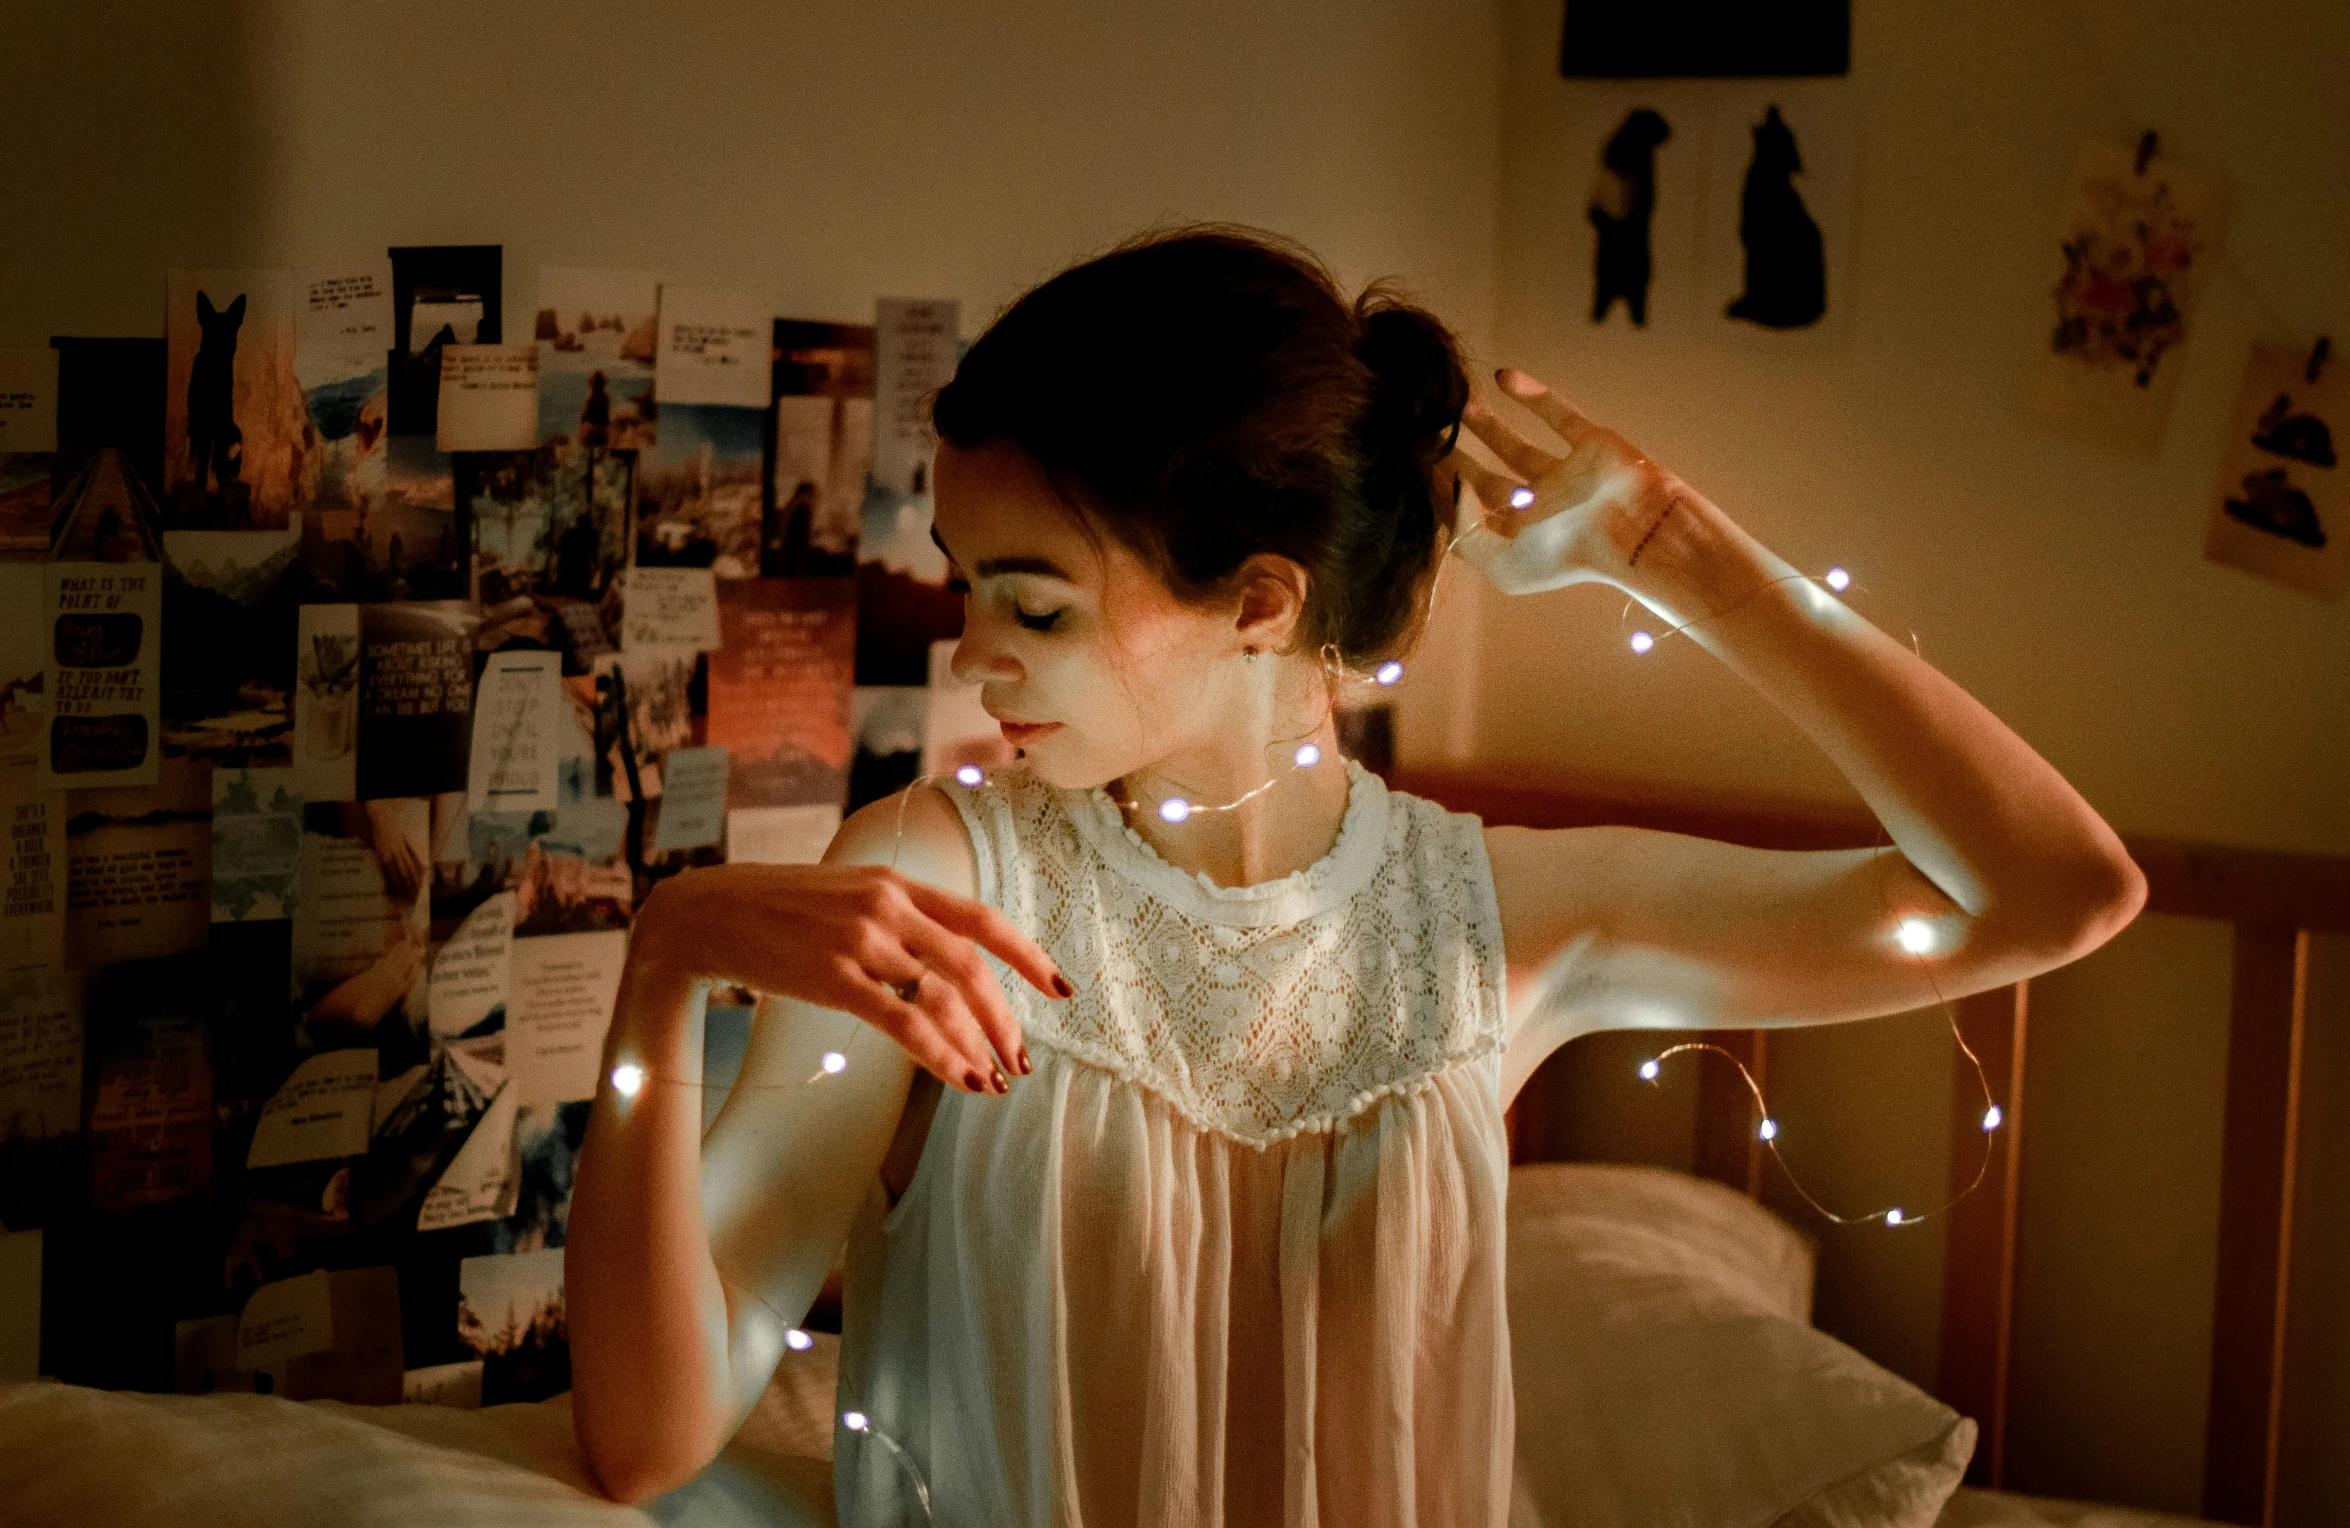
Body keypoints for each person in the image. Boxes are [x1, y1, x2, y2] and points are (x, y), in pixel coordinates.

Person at [567, 227, 2145, 1524]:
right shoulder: (936, 878)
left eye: (1032, 606)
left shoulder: (1497, 923)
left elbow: (2053, 889)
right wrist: (665, 961)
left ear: (1260, 600)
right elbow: (650, 1433)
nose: (972, 655)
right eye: (968, 585)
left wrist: (1675, 552)